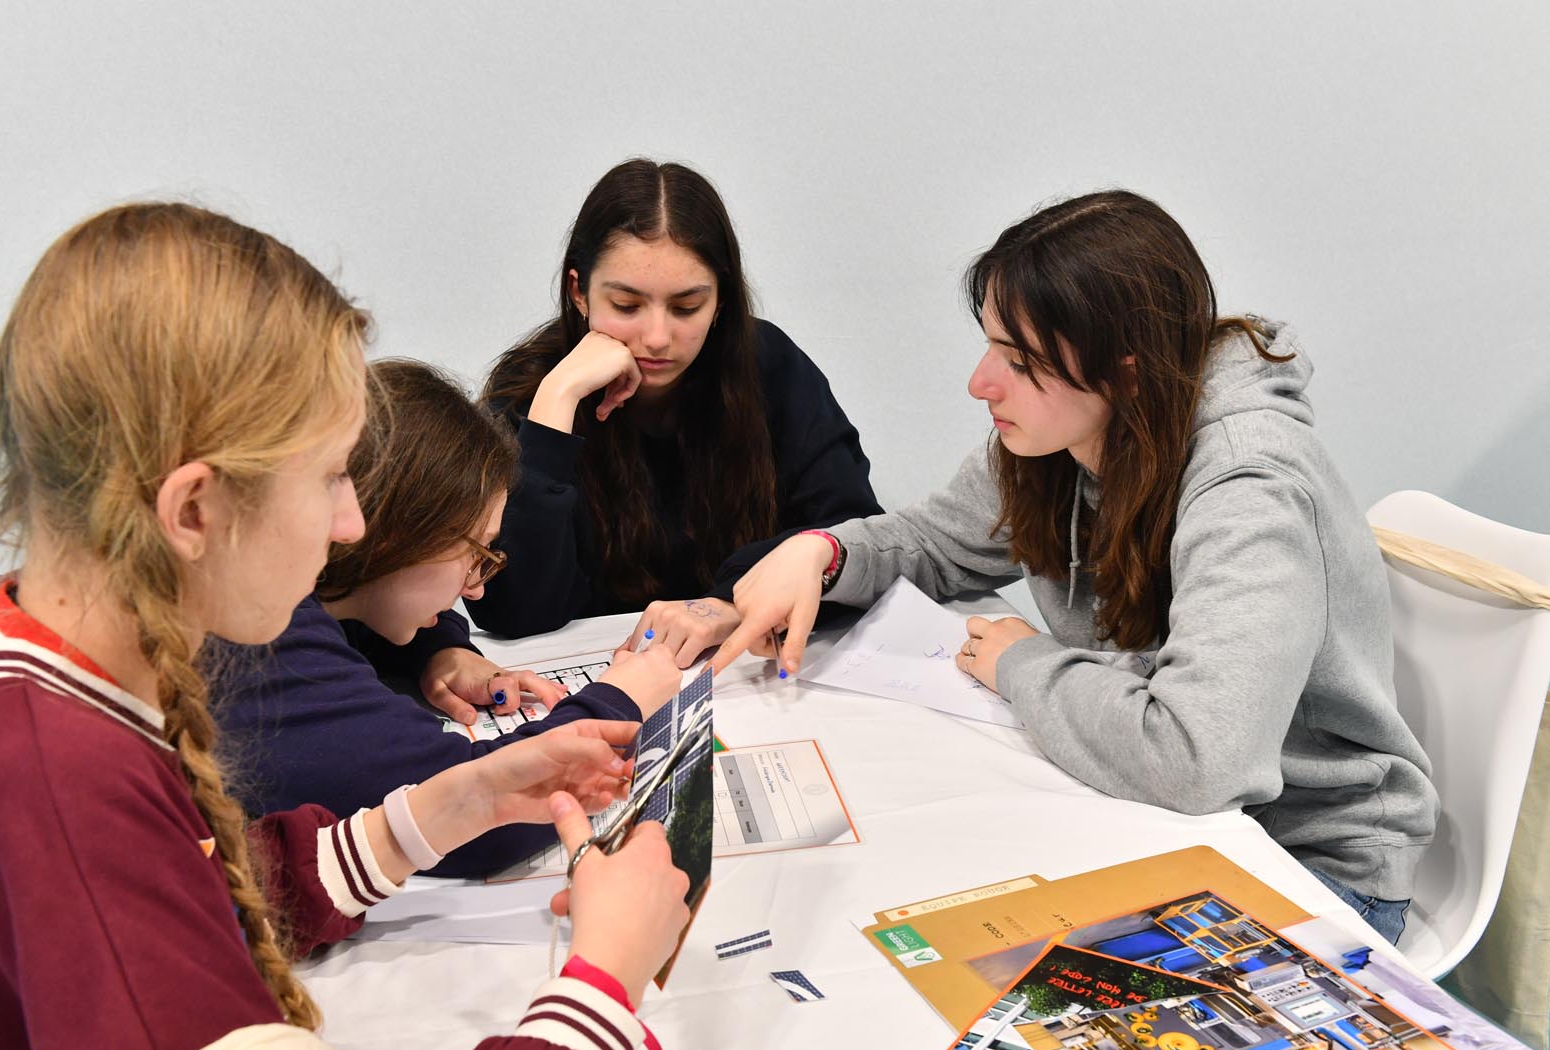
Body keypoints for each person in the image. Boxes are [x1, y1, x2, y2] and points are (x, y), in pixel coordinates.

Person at [0, 202, 689, 1050]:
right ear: (194, 511)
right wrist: (601, 985)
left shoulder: (1, 640)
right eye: (330, 477)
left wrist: (440, 811)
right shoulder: (63, 794)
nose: (351, 524)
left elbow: (193, 886)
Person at [714, 190, 1436, 944]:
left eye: (1019, 362)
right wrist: (824, 554)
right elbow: (937, 541)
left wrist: (1021, 662)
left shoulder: (1248, 486)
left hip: (1304, 865)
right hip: (1156, 820)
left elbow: (1198, 761)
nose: (981, 383)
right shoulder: (1065, 438)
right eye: (992, 347)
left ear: (1126, 370)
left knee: (973, 963)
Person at [210, 357, 680, 878]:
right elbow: (470, 815)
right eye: (476, 553)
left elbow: (367, 612)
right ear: (397, 534)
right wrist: (620, 700)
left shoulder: (294, 586)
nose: (475, 587)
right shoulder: (263, 641)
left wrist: (439, 650)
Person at [474, 158, 882, 665]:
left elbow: (855, 539)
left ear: (721, 301)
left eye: (687, 307)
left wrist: (730, 603)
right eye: (626, 306)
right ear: (579, 292)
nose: (657, 338)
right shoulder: (532, 392)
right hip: (599, 678)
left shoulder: (769, 366)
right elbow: (512, 610)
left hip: (745, 669)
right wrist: (555, 405)